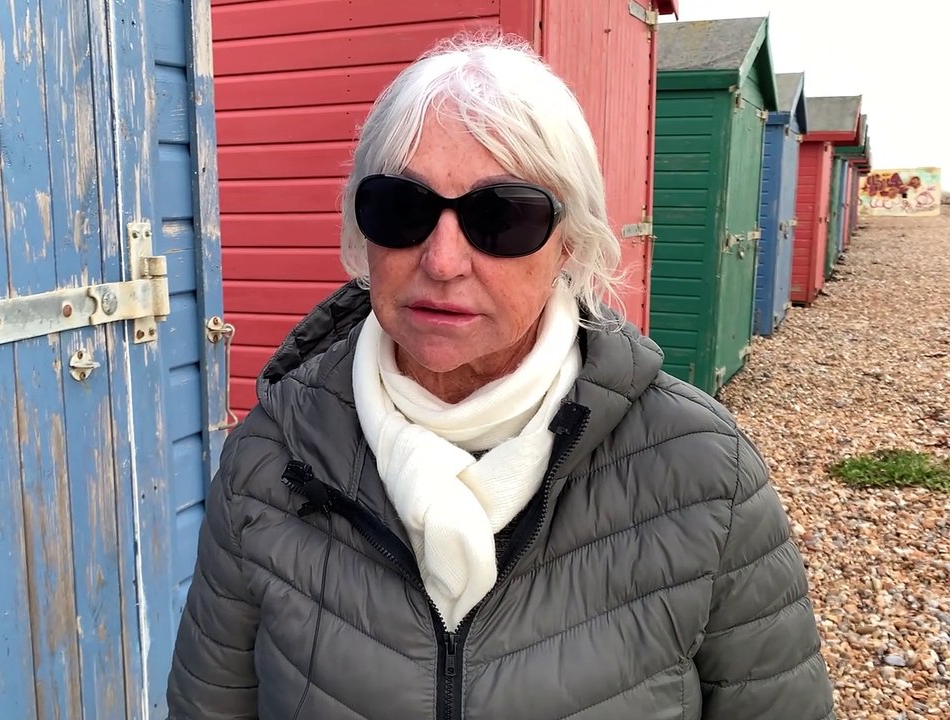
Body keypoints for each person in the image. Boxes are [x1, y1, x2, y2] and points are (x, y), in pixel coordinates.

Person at [167, 33, 836, 720]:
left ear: (570, 242)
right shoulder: (270, 462)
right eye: (402, 208)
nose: (443, 260)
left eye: (504, 217)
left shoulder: (703, 474)